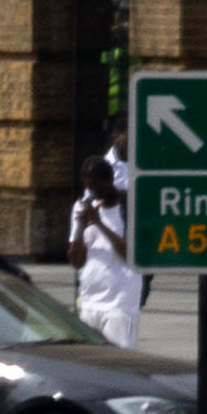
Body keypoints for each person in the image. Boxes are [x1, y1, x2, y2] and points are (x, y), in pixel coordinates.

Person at [70, 152, 144, 358]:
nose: (92, 193)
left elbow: (132, 256)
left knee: (118, 363)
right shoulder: (81, 206)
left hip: (120, 305)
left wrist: (99, 223)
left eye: (96, 187)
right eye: (88, 187)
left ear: (110, 180)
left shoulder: (129, 206)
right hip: (89, 303)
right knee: (87, 364)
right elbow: (76, 261)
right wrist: (80, 227)